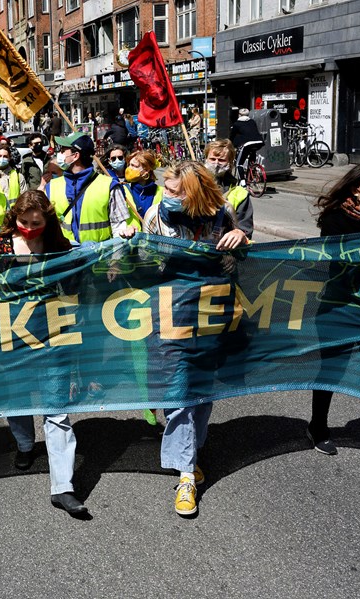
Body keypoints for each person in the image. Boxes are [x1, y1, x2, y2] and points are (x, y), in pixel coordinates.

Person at [128, 161, 248, 516]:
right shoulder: (155, 217)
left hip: (211, 316)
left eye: (175, 190)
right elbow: (143, 266)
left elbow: (233, 264)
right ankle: (185, 476)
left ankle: (190, 452)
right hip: (168, 316)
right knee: (179, 394)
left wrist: (240, 240)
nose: (167, 195)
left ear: (194, 193)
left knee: (202, 393)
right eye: (166, 187)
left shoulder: (221, 215)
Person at [0, 191, 86, 515]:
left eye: (36, 223)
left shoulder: (60, 247)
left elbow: (74, 286)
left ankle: (63, 486)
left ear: (47, 221)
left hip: (52, 335)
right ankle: (25, 444)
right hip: (12, 336)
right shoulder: (1, 245)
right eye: (23, 222)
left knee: (57, 410)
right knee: (16, 400)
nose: (29, 228)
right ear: (14, 219)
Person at [307, 163, 360, 459]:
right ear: (356, 189)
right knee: (330, 372)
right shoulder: (336, 219)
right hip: (338, 308)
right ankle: (318, 426)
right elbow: (345, 264)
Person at [47, 134, 138, 246]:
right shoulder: (52, 186)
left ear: (75, 156)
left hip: (99, 257)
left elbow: (119, 229)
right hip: (65, 257)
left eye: (63, 150)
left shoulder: (109, 186)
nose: (59, 154)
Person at [203, 140, 254, 238]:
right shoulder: (193, 184)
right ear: (206, 159)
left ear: (230, 162)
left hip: (224, 249)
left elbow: (245, 230)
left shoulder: (240, 193)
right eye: (212, 159)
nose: (216, 164)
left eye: (221, 160)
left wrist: (239, 234)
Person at [123, 150, 164, 218]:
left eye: (134, 166)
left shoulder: (162, 191)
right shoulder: (123, 190)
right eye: (129, 165)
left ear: (146, 170)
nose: (129, 168)